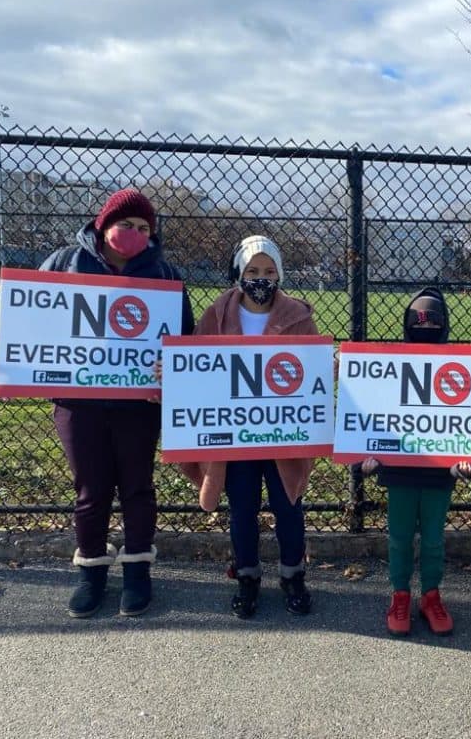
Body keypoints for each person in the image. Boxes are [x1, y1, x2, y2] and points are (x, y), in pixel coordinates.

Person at [38, 188, 195, 618]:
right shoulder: (65, 262)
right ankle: (91, 572)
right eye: (126, 224)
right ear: (104, 223)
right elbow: (34, 320)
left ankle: (138, 570)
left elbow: (184, 339)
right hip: (79, 400)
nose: (134, 233)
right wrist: (16, 356)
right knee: (90, 490)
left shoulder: (163, 274)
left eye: (144, 228)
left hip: (138, 403)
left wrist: (173, 366)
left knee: (137, 487)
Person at [180, 235, 318, 619]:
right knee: (241, 509)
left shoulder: (298, 316)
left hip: (281, 434)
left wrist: (326, 368)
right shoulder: (217, 315)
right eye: (253, 270)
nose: (261, 277)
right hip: (235, 435)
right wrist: (171, 376)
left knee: (288, 506)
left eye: (269, 271)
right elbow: (194, 364)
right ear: (239, 273)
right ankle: (247, 575)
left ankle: (293, 574)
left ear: (280, 275)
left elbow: (309, 370)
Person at [360, 287, 471, 637]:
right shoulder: (391, 366)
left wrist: (470, 462)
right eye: (419, 320)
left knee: (432, 539)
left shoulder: (463, 369)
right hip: (398, 473)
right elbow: (370, 412)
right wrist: (364, 459)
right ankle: (400, 593)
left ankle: (431, 594)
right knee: (398, 537)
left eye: (432, 321)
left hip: (438, 475)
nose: (425, 327)